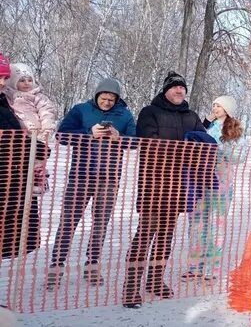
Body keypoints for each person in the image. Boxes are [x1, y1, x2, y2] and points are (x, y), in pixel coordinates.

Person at [123, 71, 205, 309]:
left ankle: (155, 280)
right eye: (175, 87)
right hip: (153, 185)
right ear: (165, 90)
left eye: (182, 88)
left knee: (166, 237)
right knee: (145, 234)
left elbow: (204, 142)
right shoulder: (150, 112)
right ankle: (130, 287)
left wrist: (194, 153)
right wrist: (185, 151)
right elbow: (149, 142)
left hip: (179, 186)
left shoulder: (192, 116)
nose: (179, 91)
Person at [47, 78, 136, 288]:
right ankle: (56, 267)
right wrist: (89, 133)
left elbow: (135, 140)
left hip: (109, 178)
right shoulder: (80, 110)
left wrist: (119, 137)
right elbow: (61, 135)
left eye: (111, 99)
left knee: (100, 224)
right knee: (68, 222)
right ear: (96, 95)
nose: (107, 102)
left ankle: (92, 265)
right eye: (104, 98)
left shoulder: (124, 114)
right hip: (81, 175)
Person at [182, 95, 244, 281]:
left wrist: (219, 150)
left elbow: (240, 157)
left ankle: (211, 269)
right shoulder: (205, 127)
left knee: (216, 227)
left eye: (219, 105)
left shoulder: (235, 131)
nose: (215, 108)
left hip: (221, 186)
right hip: (199, 183)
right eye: (214, 105)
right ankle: (195, 267)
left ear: (228, 109)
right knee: (197, 225)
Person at [0, 53, 42, 259]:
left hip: (13, 179)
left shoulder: (7, 102)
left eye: (5, 77)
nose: (2, 82)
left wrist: (37, 146)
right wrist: (33, 146)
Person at [5, 63, 57, 194]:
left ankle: (39, 181)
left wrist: (46, 128)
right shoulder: (8, 96)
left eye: (30, 80)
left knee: (37, 159)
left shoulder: (37, 96)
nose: (27, 83)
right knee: (24, 161)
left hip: (36, 133)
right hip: (20, 134)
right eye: (22, 80)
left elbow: (47, 111)